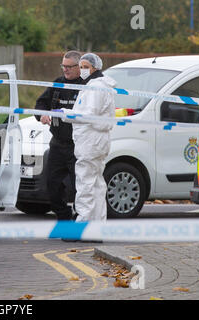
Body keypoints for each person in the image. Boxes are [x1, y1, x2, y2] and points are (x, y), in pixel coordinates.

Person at [34, 51, 83, 220]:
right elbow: (41, 103)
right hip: (57, 144)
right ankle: (64, 218)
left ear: (79, 67)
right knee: (52, 186)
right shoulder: (58, 83)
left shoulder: (86, 85)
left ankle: (80, 220)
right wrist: (42, 114)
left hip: (78, 146)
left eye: (70, 67)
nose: (66, 70)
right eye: (64, 66)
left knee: (81, 188)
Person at [71, 53, 117, 222]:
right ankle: (96, 225)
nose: (82, 70)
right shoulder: (95, 85)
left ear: (95, 68)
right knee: (96, 184)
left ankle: (83, 225)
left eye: (86, 67)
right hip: (95, 140)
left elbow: (89, 115)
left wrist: (66, 114)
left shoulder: (96, 87)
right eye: (81, 67)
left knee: (86, 184)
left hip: (91, 141)